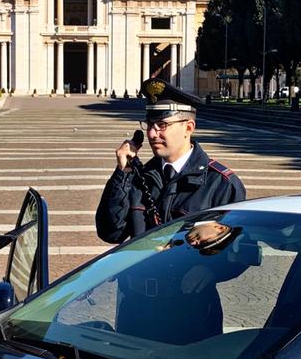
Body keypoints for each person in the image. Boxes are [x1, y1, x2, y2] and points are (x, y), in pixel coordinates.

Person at [96, 78, 246, 244]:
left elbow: (234, 248)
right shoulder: (140, 176)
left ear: (188, 128)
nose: (152, 134)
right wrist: (123, 174)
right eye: (149, 124)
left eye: (162, 125)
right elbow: (111, 233)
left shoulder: (220, 184)